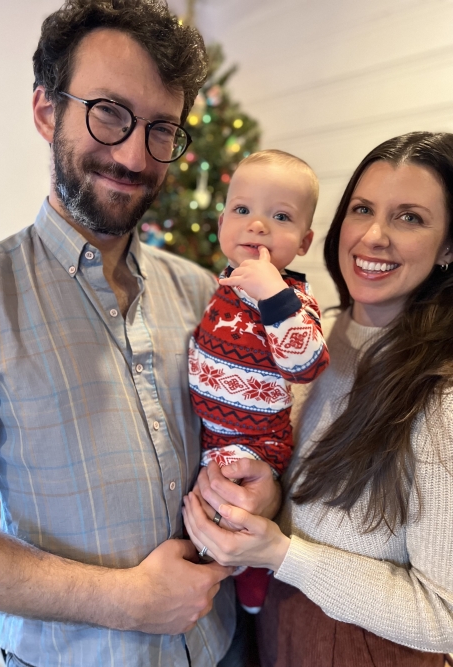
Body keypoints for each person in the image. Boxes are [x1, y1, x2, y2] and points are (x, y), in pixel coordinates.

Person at [0, 2, 280, 666]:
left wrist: (261, 483)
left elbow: (252, 427)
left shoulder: (205, 293)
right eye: (109, 112)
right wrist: (125, 599)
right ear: (47, 110)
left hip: (223, 647)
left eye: (162, 129)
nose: (134, 154)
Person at [182, 131, 453, 666]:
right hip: (272, 639)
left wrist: (280, 553)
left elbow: (443, 616)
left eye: (410, 217)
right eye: (363, 209)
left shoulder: (441, 394)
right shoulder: (305, 335)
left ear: (449, 246)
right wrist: (267, 501)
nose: (374, 235)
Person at [188, 150, 329, 613]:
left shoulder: (291, 299)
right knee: (201, 506)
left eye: (280, 216)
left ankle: (250, 584)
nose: (258, 225)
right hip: (209, 432)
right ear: (223, 219)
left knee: (231, 512)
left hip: (253, 442)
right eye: (242, 210)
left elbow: (307, 363)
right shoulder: (222, 281)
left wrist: (274, 296)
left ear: (304, 241)